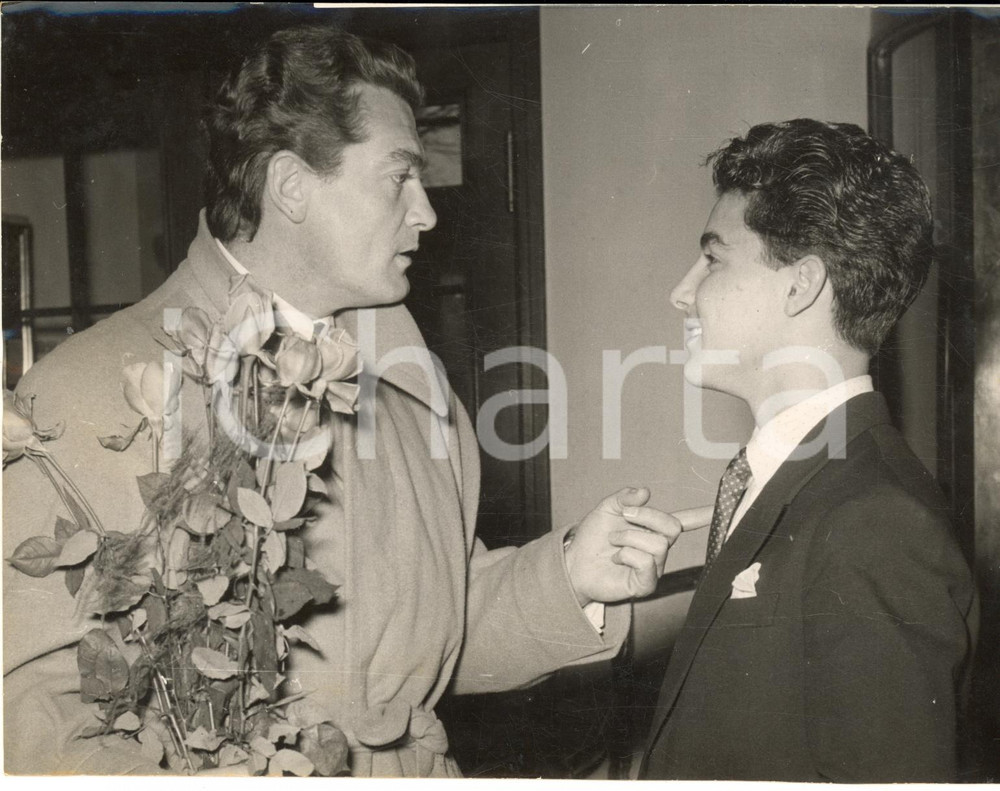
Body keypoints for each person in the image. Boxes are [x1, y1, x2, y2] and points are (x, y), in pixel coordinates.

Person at [2, 25, 681, 776]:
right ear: (291, 186)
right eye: (399, 178)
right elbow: (32, 712)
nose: (426, 212)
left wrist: (570, 578)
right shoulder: (91, 392)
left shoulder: (414, 394)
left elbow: (429, 643)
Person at [638, 119, 977, 782]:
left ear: (801, 284)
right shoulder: (800, 483)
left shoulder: (873, 523)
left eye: (712, 257)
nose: (682, 292)